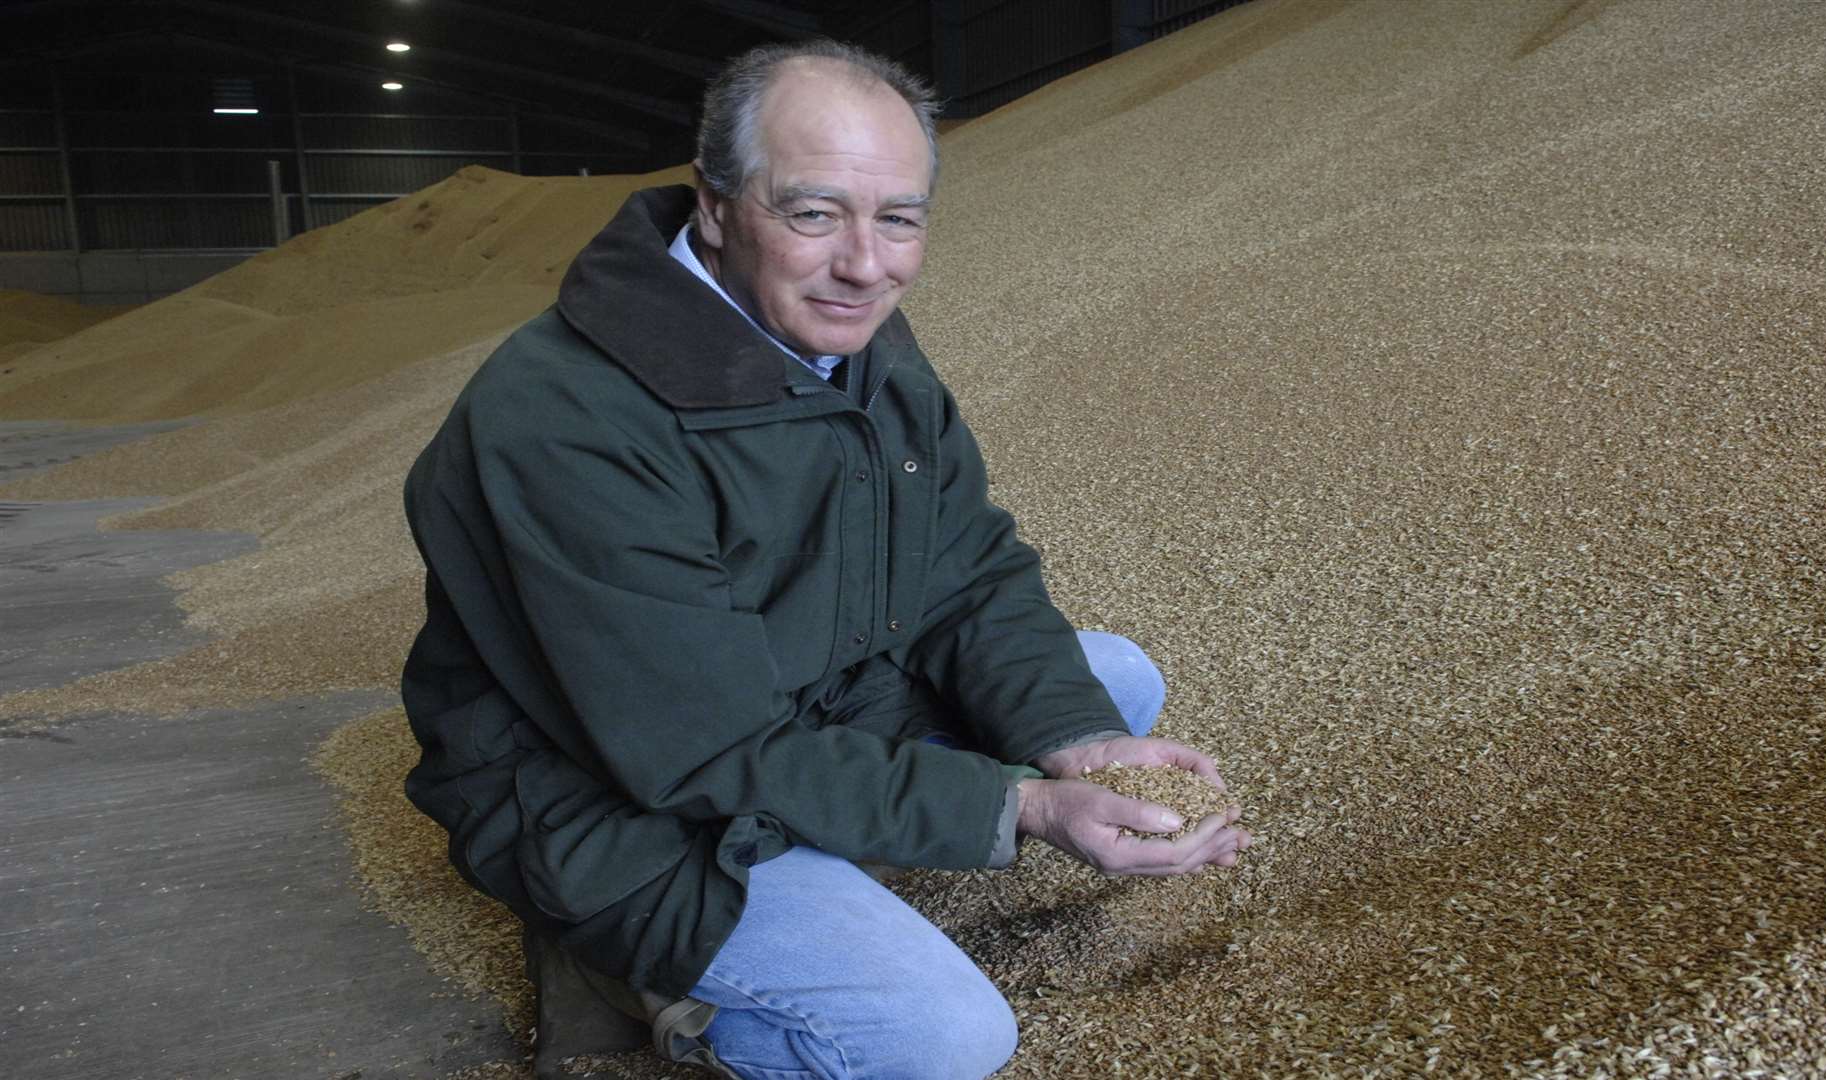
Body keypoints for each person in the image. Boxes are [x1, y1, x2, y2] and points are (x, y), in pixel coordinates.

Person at [401, 38, 1251, 1080]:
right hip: (601, 792)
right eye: (812, 212)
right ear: (713, 207)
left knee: (1109, 688)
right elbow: (700, 749)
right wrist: (1019, 806)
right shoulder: (567, 419)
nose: (866, 263)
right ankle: (638, 972)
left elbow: (969, 570)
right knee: (942, 1040)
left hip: (803, 698)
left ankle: (821, 865)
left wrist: (1067, 742)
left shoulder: (852, 338)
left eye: (899, 217)